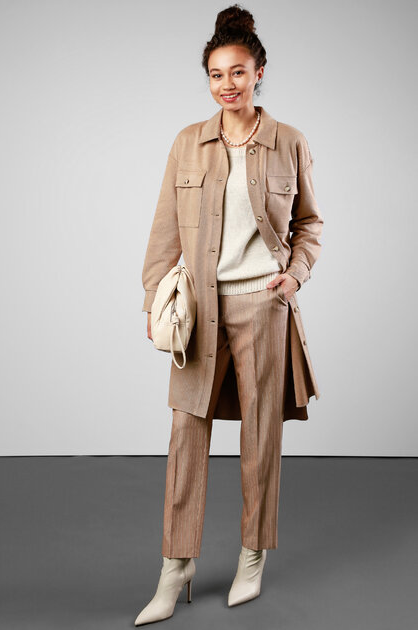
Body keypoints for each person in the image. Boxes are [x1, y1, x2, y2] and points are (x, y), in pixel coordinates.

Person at [135, 3, 324, 625]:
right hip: (200, 310)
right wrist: (152, 300)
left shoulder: (289, 141)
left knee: (259, 437)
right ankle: (175, 567)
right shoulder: (187, 143)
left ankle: (252, 554)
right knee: (185, 435)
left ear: (259, 72)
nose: (227, 84)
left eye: (238, 72)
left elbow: (309, 225)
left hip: (263, 307)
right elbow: (164, 231)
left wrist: (294, 275)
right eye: (216, 74)